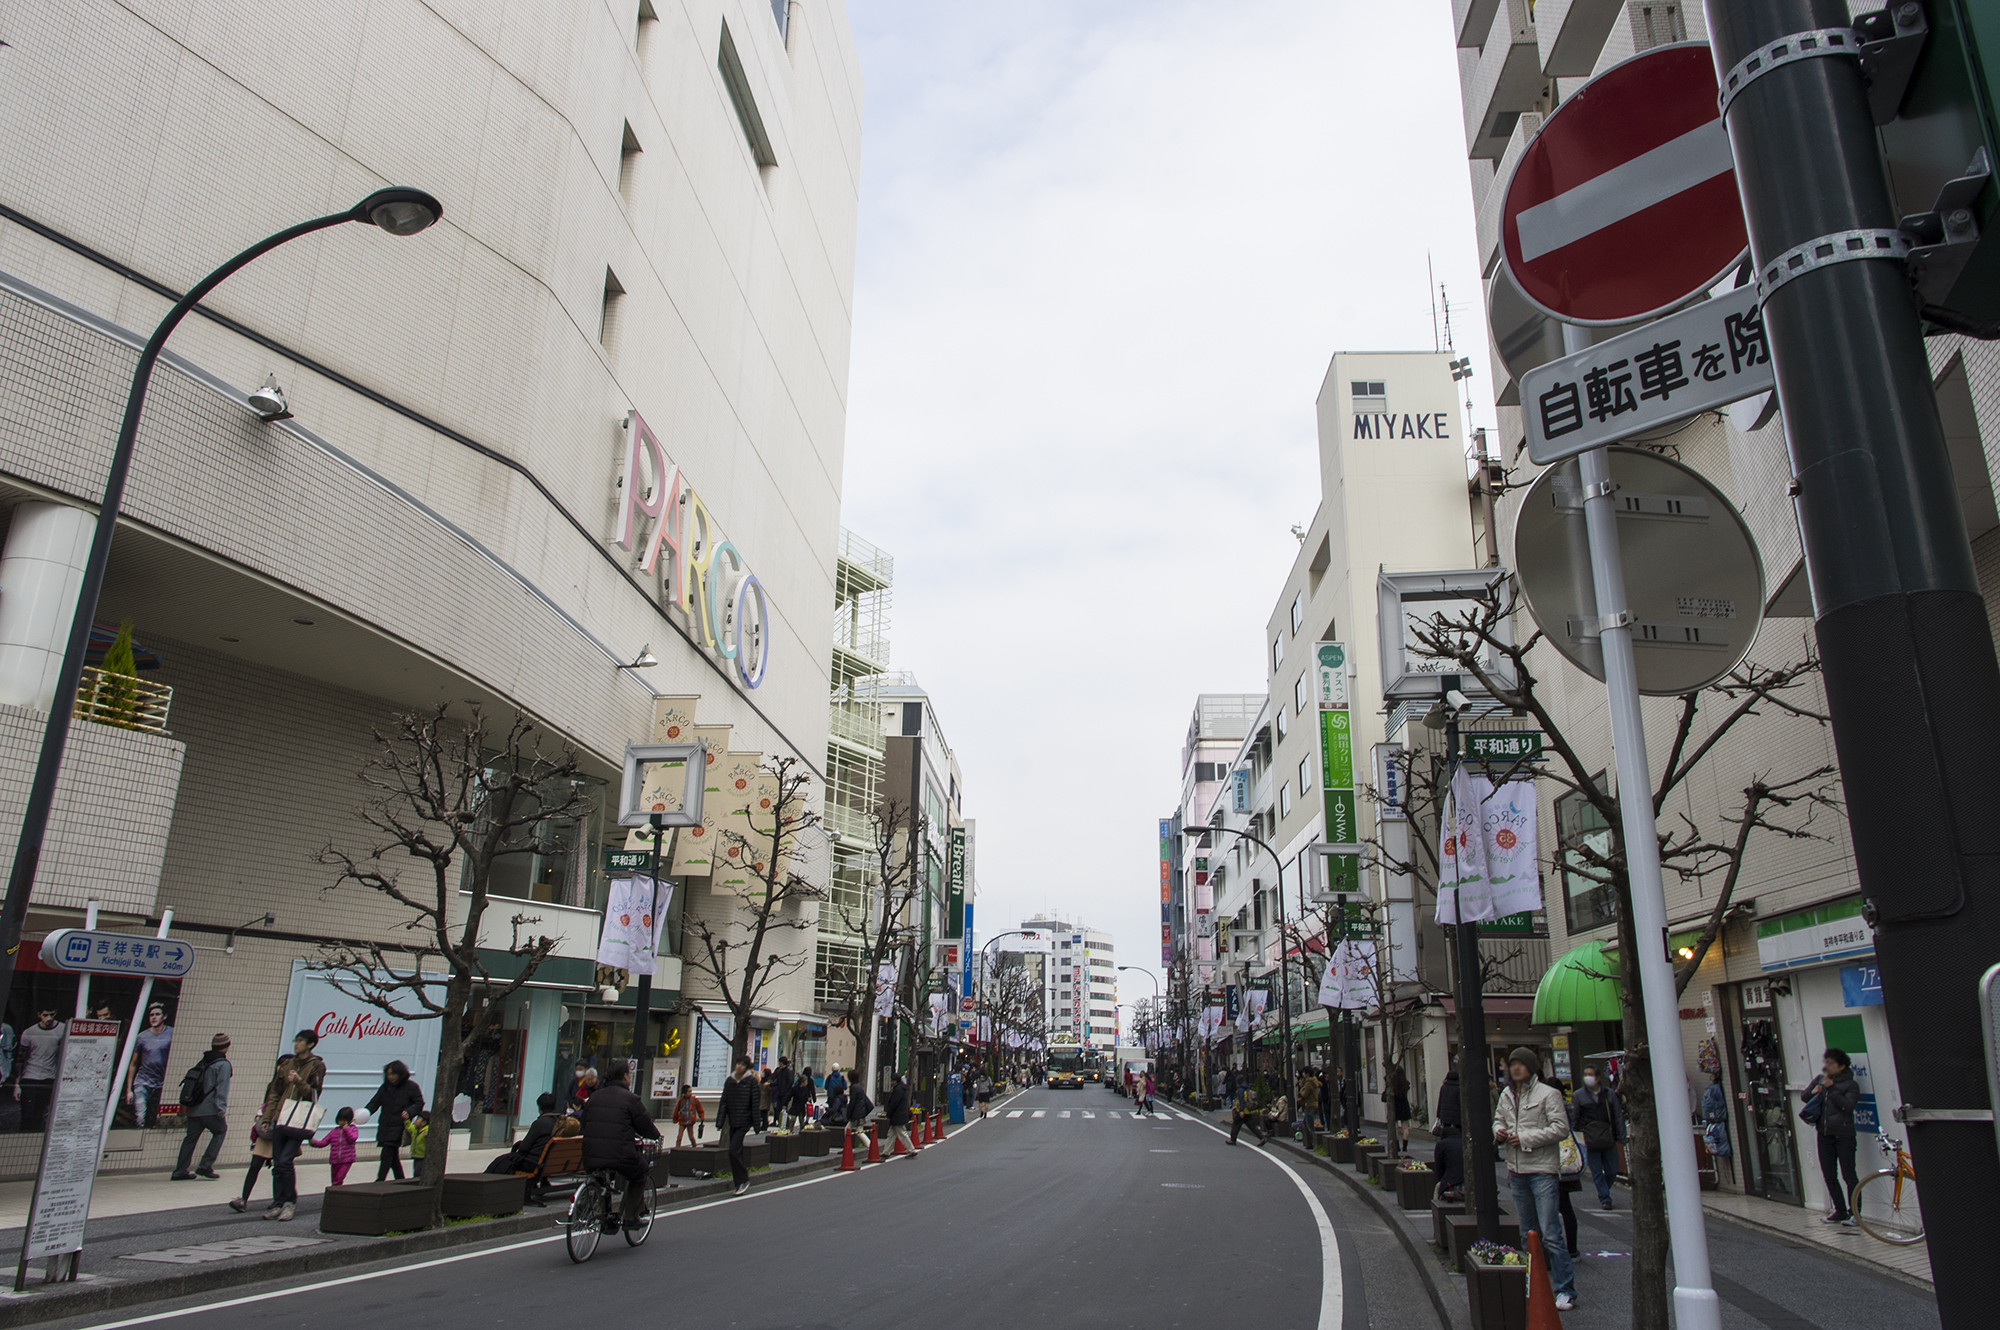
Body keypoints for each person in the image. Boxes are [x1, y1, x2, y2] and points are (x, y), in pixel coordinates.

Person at [1493, 1047, 1576, 1311]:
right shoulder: (1506, 1094)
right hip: (1516, 1172)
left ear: (1531, 1067)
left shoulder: (1548, 1094)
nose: (1515, 1068)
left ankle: (1565, 1290)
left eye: (1521, 1064)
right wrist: (1499, 1132)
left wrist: (1525, 1138)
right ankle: (1534, 1286)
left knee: (1550, 1233)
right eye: (1512, 1064)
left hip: (1542, 1171)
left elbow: (1561, 1128)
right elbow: (1497, 1120)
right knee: (1527, 1234)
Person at [578, 1061, 662, 1229]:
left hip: (591, 1153)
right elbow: (645, 1126)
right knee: (640, 1172)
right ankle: (631, 1217)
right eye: (629, 1075)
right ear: (625, 1076)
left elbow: (584, 1123)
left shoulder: (594, 1097)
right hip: (620, 1154)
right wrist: (656, 1136)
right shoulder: (630, 1099)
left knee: (601, 1176)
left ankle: (601, 1212)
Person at [260, 1030, 325, 1222]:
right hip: (281, 1117)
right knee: (277, 1163)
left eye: (300, 1041)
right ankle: (278, 1202)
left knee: (286, 1160)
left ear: (310, 1045)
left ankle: (290, 1203)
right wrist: (267, 1117)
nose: (296, 1044)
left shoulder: (316, 1066)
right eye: (295, 1040)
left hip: (298, 1119)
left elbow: (314, 1094)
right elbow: (275, 1092)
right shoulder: (287, 1064)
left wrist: (299, 1082)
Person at [1806, 1048, 1863, 1224]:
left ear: (1842, 1066)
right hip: (1824, 1134)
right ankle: (1839, 1211)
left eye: (1831, 1063)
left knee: (1849, 1175)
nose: (1827, 1066)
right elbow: (1804, 1096)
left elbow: (1848, 1106)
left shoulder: (1851, 1085)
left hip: (1844, 1135)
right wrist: (1813, 1092)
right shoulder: (1821, 1080)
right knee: (1829, 1175)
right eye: (1826, 1063)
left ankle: (1855, 1213)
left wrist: (1832, 1090)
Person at [170, 1033, 232, 1180]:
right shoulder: (223, 1064)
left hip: (194, 1108)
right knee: (220, 1131)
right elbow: (221, 1088)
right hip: (210, 1109)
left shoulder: (203, 1061)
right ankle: (205, 1165)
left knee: (190, 1138)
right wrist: (221, 1109)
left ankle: (179, 1171)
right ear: (227, 1047)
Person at [489, 1092, 565, 1205]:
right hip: (551, 1163)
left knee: (501, 1162)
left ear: (540, 1107)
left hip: (534, 1164)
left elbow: (524, 1148)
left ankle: (490, 1188)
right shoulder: (561, 1124)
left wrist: (518, 1146)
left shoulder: (540, 1123)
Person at [1570, 1064, 1627, 1210]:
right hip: (1590, 1138)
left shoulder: (1609, 1094)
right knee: (1596, 1171)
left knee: (1612, 1169)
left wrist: (1621, 1135)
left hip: (1608, 1136)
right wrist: (1576, 1137)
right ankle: (1605, 1197)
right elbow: (1575, 1118)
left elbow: (1618, 1115)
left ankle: (1604, 1190)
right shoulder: (1578, 1096)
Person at [364, 1060, 425, 1181]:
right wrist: (365, 1112)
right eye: (388, 1074)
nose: (390, 1077)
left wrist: (409, 1112)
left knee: (387, 1151)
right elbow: (375, 1102)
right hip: (385, 1124)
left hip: (399, 1125)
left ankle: (380, 1180)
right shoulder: (385, 1088)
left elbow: (419, 1103)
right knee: (392, 1156)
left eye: (393, 1074)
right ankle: (400, 1179)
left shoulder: (411, 1087)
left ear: (400, 1074)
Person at [125, 1003, 174, 1128]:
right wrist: (129, 1089)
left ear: (164, 1017)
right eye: (151, 1015)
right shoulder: (142, 1037)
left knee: (159, 1119)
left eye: (157, 1015)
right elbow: (133, 1063)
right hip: (143, 1081)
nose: (154, 1017)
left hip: (162, 1083)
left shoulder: (172, 1034)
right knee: (140, 1115)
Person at [718, 1056, 759, 1196]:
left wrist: (757, 1124)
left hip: (744, 1121)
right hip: (733, 1120)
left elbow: (755, 1103)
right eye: (738, 1063)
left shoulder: (751, 1081)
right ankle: (739, 1182)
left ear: (747, 1068)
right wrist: (720, 1121)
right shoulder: (730, 1081)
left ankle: (743, 1179)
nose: (739, 1067)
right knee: (737, 1151)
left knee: (733, 1150)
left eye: (742, 1065)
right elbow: (724, 1101)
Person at [15, 1009, 61, 1132]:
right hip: (31, 1077)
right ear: (39, 1015)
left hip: (49, 1078)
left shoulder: (62, 1029)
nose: (49, 1018)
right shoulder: (29, 1032)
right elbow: (20, 1059)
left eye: (52, 1015)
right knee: (27, 1116)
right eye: (45, 1015)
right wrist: (17, 1083)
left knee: (39, 1116)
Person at [310, 1106, 360, 1187]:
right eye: (340, 1120)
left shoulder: (352, 1129)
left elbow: (352, 1139)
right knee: (334, 1179)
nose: (342, 1122)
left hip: (347, 1160)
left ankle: (335, 1194)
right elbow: (323, 1143)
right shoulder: (334, 1132)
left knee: (338, 1180)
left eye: (344, 1120)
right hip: (334, 1161)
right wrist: (313, 1142)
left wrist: (346, 1129)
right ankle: (335, 1193)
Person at [883, 1071, 915, 1154]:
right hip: (899, 1115)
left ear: (895, 1081)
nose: (891, 1082)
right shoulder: (901, 1088)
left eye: (892, 1081)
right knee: (891, 1134)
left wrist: (888, 1114)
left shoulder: (897, 1090)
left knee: (902, 1134)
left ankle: (911, 1150)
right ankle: (886, 1152)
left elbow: (893, 1103)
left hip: (897, 1116)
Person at [1228, 1077, 1264, 1146]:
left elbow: (1242, 1100)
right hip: (1248, 1111)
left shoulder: (1240, 1090)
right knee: (1252, 1126)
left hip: (1242, 1111)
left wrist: (1241, 1110)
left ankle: (1232, 1140)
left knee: (1235, 1125)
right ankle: (1262, 1137)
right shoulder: (1246, 1088)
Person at [1389, 1064, 1413, 1157]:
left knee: (1395, 1127)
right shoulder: (1405, 1083)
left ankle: (1397, 1146)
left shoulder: (1392, 1084)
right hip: (1404, 1104)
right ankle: (1405, 1146)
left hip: (1395, 1105)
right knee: (1405, 1127)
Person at [789, 1064, 817, 1130]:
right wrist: (813, 1098)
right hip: (803, 1101)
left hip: (799, 1102)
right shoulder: (810, 1080)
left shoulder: (799, 1082)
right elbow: (812, 1090)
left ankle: (792, 1130)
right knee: (802, 1117)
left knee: (796, 1118)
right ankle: (805, 1124)